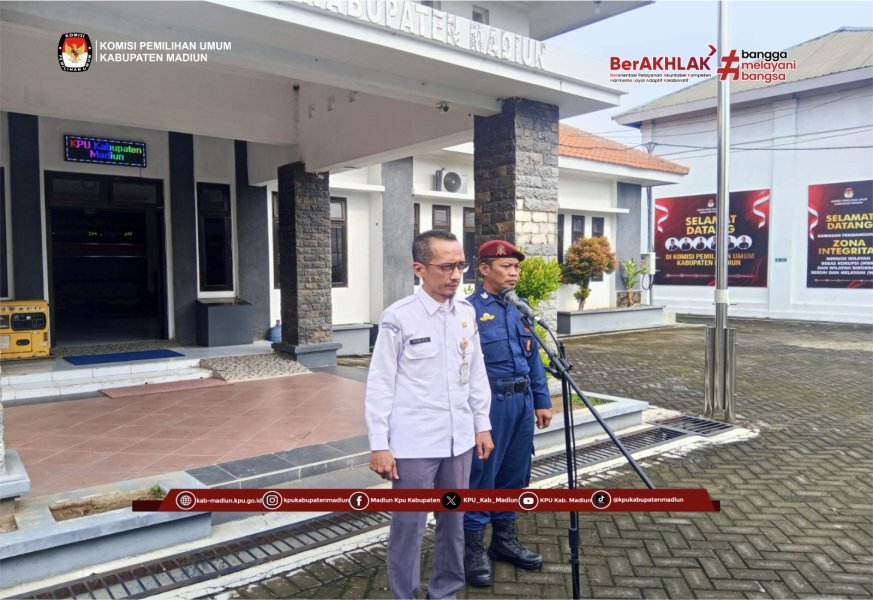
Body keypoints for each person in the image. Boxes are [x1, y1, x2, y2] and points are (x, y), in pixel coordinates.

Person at [365, 230, 495, 599]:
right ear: (419, 268)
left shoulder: (466, 313)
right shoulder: (399, 317)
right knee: (409, 525)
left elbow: (476, 374)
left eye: (461, 266)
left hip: (458, 442)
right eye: (446, 266)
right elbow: (380, 383)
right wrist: (379, 444)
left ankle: (445, 592)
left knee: (453, 523)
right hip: (414, 444)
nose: (456, 275)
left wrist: (482, 425)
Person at [463, 239, 553, 587]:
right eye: (506, 267)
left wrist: (542, 400)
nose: (514, 273)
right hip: (490, 403)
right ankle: (473, 550)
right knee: (482, 476)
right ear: (484, 269)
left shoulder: (520, 308)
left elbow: (533, 359)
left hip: (521, 402)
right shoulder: (468, 311)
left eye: (516, 267)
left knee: (514, 474)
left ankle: (503, 540)